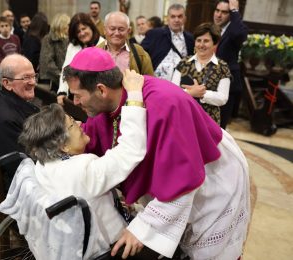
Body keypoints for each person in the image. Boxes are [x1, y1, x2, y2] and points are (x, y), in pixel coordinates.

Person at [63, 47, 250, 259]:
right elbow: (93, 139)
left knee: (208, 251)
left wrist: (144, 227)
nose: (75, 103)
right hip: (186, 178)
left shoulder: (164, 103)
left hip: (213, 179)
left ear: (101, 90)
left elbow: (182, 180)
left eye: (78, 96)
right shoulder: (104, 105)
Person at [0, 68, 148, 259]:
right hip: (107, 248)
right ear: (63, 145)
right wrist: (135, 95)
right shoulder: (83, 168)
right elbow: (130, 151)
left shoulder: (42, 165)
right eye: (72, 123)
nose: (80, 123)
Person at [0, 54, 40, 191]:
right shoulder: (5, 119)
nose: (33, 82)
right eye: (26, 77)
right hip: (20, 189)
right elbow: (21, 168)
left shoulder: (14, 104)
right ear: (7, 83)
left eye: (34, 76)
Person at [172, 23, 231, 124]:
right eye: (198, 40)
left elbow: (223, 98)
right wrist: (190, 93)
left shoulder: (222, 67)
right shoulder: (183, 63)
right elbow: (172, 91)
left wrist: (203, 94)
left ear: (215, 43)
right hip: (182, 118)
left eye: (206, 41)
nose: (201, 45)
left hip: (208, 121)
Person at [213, 0, 248, 129]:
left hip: (226, 85)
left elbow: (238, 34)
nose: (219, 15)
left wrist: (234, 11)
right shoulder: (211, 29)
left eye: (224, 12)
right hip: (208, 85)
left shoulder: (237, 30)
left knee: (219, 129)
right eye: (217, 11)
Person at [56, 12, 104, 103]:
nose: (82, 33)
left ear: (91, 27)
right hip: (75, 97)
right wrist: (62, 91)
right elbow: (66, 70)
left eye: (84, 28)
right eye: (78, 31)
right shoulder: (73, 46)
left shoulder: (103, 44)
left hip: (97, 98)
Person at [142, 4, 194, 81]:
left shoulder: (190, 38)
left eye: (180, 16)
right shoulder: (155, 34)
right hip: (156, 82)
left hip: (180, 84)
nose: (176, 20)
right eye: (173, 16)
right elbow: (140, 55)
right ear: (167, 19)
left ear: (185, 19)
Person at [98, 11, 153, 76]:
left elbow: (150, 82)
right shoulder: (96, 52)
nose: (116, 33)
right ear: (104, 30)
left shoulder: (139, 53)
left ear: (128, 31)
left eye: (121, 29)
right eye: (112, 29)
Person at [39, 13, 70, 93]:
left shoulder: (70, 40)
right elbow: (47, 61)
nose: (70, 27)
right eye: (68, 25)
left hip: (67, 80)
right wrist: (61, 75)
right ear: (61, 25)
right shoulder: (49, 39)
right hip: (52, 80)